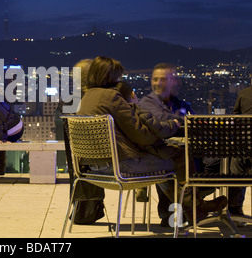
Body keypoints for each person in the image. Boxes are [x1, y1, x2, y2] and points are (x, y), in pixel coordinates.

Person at [77, 56, 227, 224]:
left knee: (167, 157)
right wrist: (135, 106)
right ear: (109, 77)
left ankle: (186, 211)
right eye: (117, 77)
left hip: (93, 168)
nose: (119, 81)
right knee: (178, 156)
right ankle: (193, 206)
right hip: (120, 166)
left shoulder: (88, 97)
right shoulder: (112, 97)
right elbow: (141, 135)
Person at [0, 85, 24, 176]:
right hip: (17, 125)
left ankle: (0, 167)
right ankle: (0, 169)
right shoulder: (1, 101)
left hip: (12, 128)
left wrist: (0, 138)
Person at [228, 84, 252, 215]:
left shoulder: (244, 93)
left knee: (236, 163)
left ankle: (234, 206)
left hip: (244, 147)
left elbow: (235, 117)